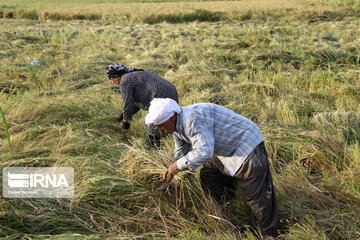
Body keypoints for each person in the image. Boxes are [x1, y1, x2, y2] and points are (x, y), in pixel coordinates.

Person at [145, 98, 278, 238]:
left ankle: (265, 234)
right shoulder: (175, 127)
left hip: (245, 144)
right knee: (209, 175)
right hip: (222, 148)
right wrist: (172, 178)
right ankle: (227, 206)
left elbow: (204, 152)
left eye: (161, 125)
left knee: (257, 196)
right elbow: (181, 151)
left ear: (172, 117)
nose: (160, 130)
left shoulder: (191, 119)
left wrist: (177, 165)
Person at [105, 63, 179, 147]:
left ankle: (157, 149)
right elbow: (136, 102)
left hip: (161, 97)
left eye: (112, 79)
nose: (112, 82)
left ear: (117, 75)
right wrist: (125, 115)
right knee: (168, 120)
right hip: (171, 92)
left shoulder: (124, 81)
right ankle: (167, 144)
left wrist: (125, 121)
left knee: (153, 123)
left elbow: (128, 103)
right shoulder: (134, 72)